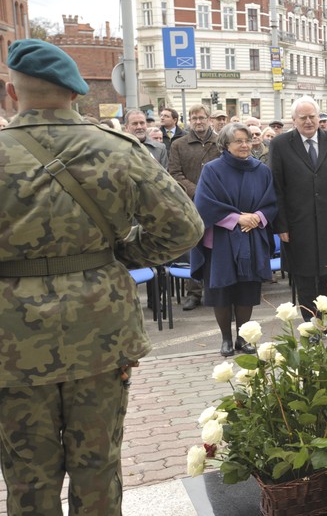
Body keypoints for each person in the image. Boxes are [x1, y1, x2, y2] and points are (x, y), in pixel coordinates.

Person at [0, 39, 203, 515]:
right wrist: (127, 251)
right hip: (100, 331)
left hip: (11, 339)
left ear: (13, 93)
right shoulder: (116, 148)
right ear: (75, 95)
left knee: (27, 473)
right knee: (97, 464)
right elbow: (185, 227)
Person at [191, 123, 277, 356]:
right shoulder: (212, 169)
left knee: (247, 290)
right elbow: (204, 204)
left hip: (251, 238)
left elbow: (271, 202)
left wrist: (258, 217)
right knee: (222, 290)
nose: (245, 145)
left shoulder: (261, 170)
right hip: (220, 240)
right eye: (238, 141)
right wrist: (236, 219)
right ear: (225, 145)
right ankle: (226, 339)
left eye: (247, 140)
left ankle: (242, 338)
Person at [269, 97, 327, 317]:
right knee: (305, 279)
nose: (308, 121)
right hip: (298, 225)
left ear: (320, 118)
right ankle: (312, 333)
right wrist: (281, 225)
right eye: (303, 118)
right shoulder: (280, 145)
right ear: (294, 120)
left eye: (312, 117)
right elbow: (277, 187)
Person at [168, 104, 221, 311]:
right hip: (190, 204)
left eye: (201, 117)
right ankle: (194, 292)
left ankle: (215, 290)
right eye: (194, 118)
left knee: (217, 248)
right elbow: (174, 173)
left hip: (218, 205)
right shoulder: (178, 145)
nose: (198, 121)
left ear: (209, 118)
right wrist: (198, 191)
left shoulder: (220, 142)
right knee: (193, 248)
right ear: (189, 120)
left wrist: (212, 194)